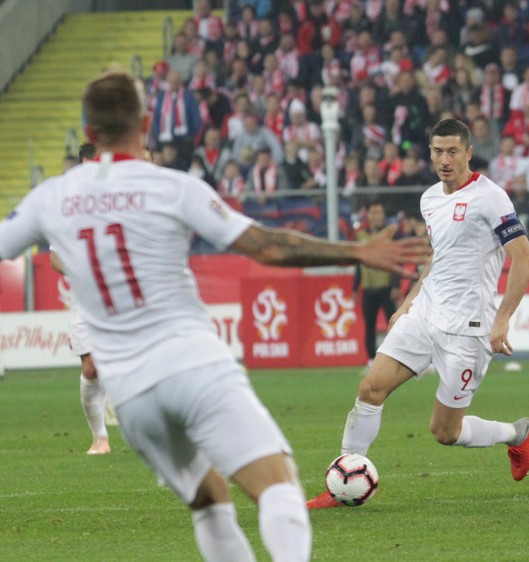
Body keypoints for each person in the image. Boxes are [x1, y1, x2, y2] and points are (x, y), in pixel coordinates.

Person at [0, 71, 429, 561]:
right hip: (192, 364)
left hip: (132, 394)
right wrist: (357, 250)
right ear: (145, 124)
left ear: (89, 132)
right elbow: (266, 245)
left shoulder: (50, 197)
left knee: (209, 501)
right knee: (278, 487)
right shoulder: (174, 187)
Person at [307, 118, 529, 509]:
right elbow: (438, 258)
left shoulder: (490, 197)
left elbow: (524, 259)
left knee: (445, 431)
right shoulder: (430, 198)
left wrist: (503, 319)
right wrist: (408, 302)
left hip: (468, 328)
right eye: (437, 152)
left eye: (452, 152)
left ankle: (517, 434)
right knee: (370, 389)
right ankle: (341, 483)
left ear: (467, 152)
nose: (444, 160)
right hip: (425, 315)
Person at [53, 141, 114, 455]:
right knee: (91, 368)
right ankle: (100, 438)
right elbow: (54, 258)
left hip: (119, 293)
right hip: (84, 298)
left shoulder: (120, 199)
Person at [353, 201, 401, 372]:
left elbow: (397, 261)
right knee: (369, 325)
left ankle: (394, 358)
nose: (377, 216)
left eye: (379, 212)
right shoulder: (361, 236)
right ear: (369, 215)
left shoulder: (390, 234)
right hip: (368, 288)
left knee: (393, 324)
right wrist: (355, 287)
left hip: (386, 286)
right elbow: (358, 264)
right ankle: (371, 361)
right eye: (374, 212)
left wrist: (396, 284)